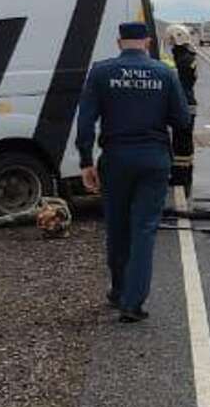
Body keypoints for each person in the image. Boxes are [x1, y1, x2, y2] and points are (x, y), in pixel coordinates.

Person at [75, 21, 192, 322]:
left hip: (115, 158)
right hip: (153, 159)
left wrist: (86, 161)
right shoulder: (164, 73)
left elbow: (86, 120)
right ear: (148, 42)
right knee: (144, 229)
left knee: (117, 226)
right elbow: (181, 120)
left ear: (119, 42)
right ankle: (133, 302)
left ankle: (118, 290)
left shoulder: (101, 72)